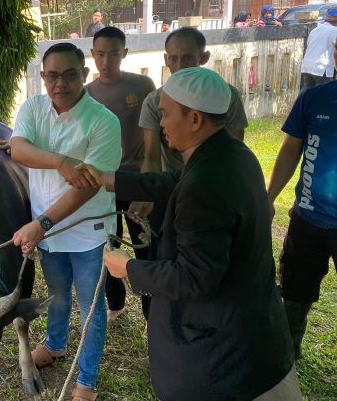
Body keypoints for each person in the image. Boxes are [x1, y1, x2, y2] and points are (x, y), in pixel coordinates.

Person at [79, 67, 299, 401]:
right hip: (260, 337)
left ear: (194, 119)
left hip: (226, 365)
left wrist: (127, 267)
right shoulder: (234, 155)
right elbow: (172, 181)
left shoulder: (203, 186)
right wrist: (106, 179)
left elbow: (195, 277)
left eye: (165, 115)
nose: (161, 123)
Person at [10, 42, 121, 401]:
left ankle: (86, 379)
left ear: (84, 75)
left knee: (90, 308)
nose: (61, 83)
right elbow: (18, 149)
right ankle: (56, 344)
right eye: (53, 76)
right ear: (43, 77)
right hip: (50, 232)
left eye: (70, 75)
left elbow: (87, 188)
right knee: (57, 294)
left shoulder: (104, 121)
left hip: (88, 231)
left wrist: (40, 223)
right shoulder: (32, 108)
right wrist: (60, 161)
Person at [133, 27, 249, 222]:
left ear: (203, 58)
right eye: (173, 58)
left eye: (187, 58)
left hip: (214, 184)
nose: (179, 66)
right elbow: (151, 157)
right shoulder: (154, 101)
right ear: (165, 59)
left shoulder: (226, 96)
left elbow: (235, 149)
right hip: (170, 184)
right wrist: (148, 194)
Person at [267, 42, 337, 361]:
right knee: (295, 293)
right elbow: (290, 150)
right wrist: (269, 198)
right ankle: (287, 352)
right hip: (308, 218)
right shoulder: (313, 98)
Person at [85, 27, 156, 322]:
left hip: (137, 179)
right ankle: (116, 302)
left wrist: (148, 183)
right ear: (93, 55)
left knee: (144, 246)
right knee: (108, 243)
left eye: (113, 53)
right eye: (100, 54)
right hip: (103, 183)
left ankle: (152, 314)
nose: (106, 60)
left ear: (124, 54)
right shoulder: (87, 93)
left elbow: (155, 136)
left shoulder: (143, 85)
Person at [299, 6, 337, 89]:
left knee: (306, 94)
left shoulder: (316, 29)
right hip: (322, 69)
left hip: (307, 66)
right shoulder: (334, 31)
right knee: (323, 96)